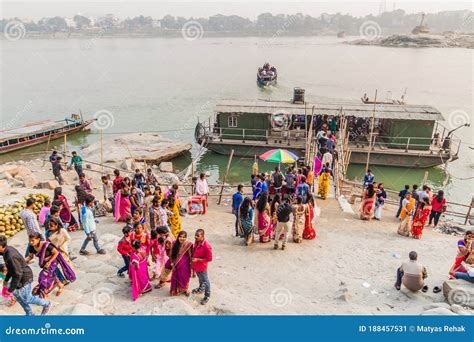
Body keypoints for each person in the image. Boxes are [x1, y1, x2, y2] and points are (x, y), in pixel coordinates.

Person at [0, 236, 52, 315]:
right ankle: (29, 314)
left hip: (24, 278)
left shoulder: (10, 256)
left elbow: (17, 274)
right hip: (18, 278)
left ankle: (46, 304)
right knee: (18, 297)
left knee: (27, 299)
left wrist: (10, 289)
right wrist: (6, 280)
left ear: (1, 246)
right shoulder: (6, 250)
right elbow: (11, 268)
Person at [25, 232, 76, 298]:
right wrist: (23, 262)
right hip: (44, 263)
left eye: (33, 240)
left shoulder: (46, 245)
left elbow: (56, 253)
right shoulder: (31, 247)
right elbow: (30, 257)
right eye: (30, 241)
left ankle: (44, 293)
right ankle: (60, 285)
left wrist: (49, 262)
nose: (31, 242)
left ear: (38, 239)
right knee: (52, 275)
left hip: (52, 262)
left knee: (43, 277)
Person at [169, 231, 193, 296]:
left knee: (185, 277)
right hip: (176, 264)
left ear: (186, 238)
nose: (182, 238)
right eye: (180, 237)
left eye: (184, 237)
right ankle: (176, 289)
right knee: (176, 277)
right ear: (178, 237)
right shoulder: (174, 243)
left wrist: (192, 265)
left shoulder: (188, 244)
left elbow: (190, 255)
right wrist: (172, 262)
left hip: (185, 264)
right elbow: (171, 254)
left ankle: (185, 289)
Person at [192, 229, 213, 305]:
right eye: (195, 235)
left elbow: (209, 259)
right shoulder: (196, 242)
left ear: (202, 236)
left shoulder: (207, 247)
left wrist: (197, 259)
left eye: (197, 236)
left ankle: (207, 295)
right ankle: (201, 288)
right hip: (196, 266)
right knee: (200, 278)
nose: (195, 237)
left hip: (202, 267)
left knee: (205, 281)